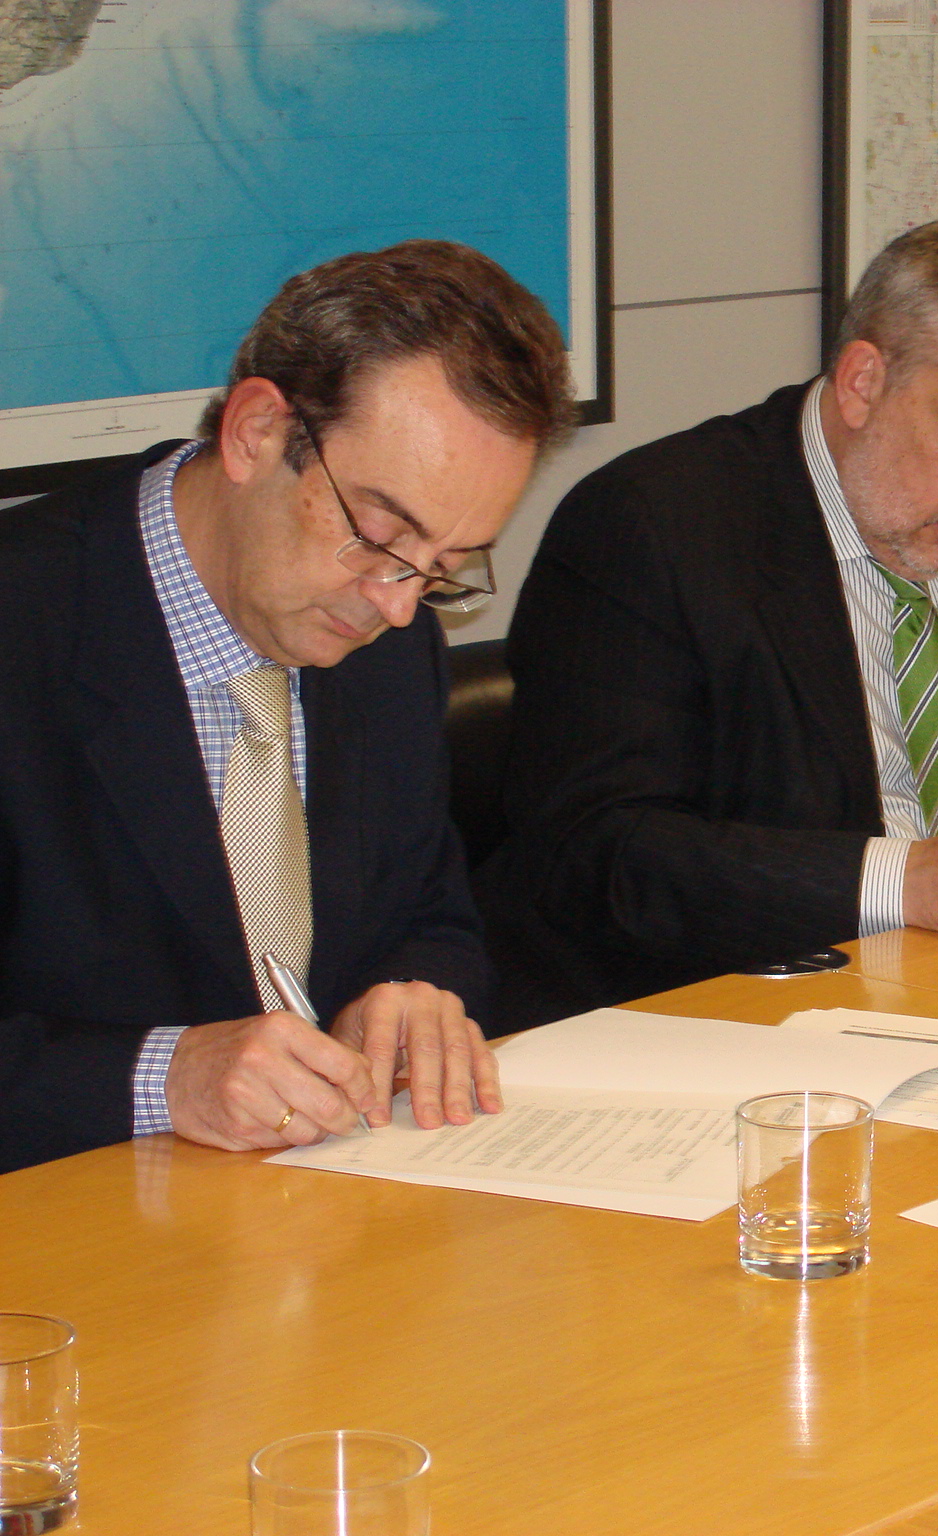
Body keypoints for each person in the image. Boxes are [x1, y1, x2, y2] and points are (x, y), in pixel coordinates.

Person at [480, 219, 938, 1028]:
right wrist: (901, 880)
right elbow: (597, 850)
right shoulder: (651, 527)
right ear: (863, 381)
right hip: (749, 1014)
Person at [0, 240, 579, 1174]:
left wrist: (410, 999)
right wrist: (162, 1076)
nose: (398, 604)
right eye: (380, 534)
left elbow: (432, 914)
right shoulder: (25, 628)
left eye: (443, 567)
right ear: (256, 432)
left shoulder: (389, 646)